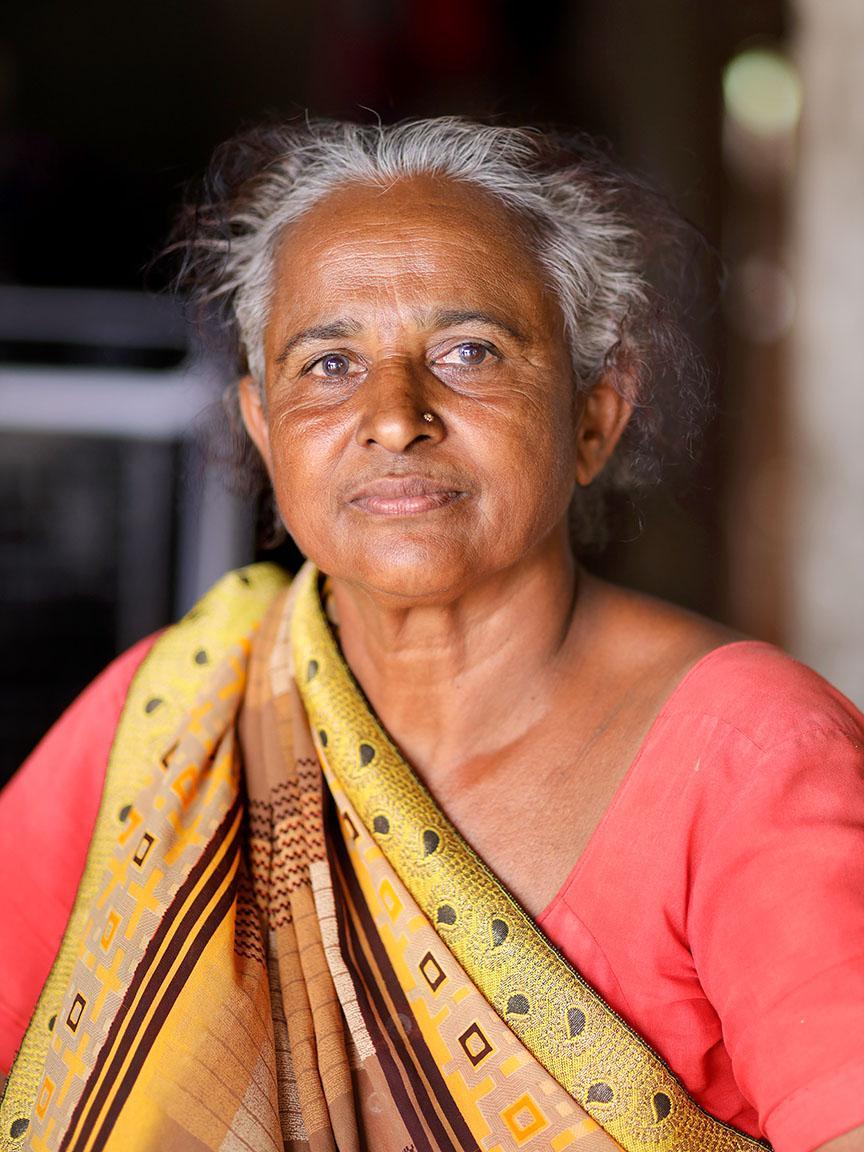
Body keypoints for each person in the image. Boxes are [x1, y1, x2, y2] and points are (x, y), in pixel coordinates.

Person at [0, 118, 862, 1152]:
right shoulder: (168, 721)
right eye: (329, 363)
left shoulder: (753, 757)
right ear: (265, 429)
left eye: (468, 352)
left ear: (594, 414)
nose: (394, 414)